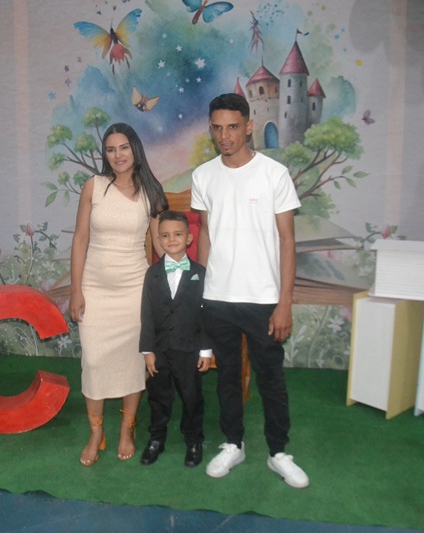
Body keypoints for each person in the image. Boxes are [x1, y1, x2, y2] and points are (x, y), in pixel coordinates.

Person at [190, 93, 309, 488]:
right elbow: (206, 234)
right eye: (217, 128)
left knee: (270, 377)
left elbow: (287, 241)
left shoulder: (274, 174)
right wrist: (202, 292)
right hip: (218, 297)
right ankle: (233, 444)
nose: (224, 136)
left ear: (249, 126)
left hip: (263, 299)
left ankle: (279, 453)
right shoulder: (203, 176)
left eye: (233, 127)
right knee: (226, 377)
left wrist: (284, 303)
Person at [69, 123, 168, 467]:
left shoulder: (151, 191)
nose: (117, 155)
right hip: (95, 289)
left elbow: (159, 245)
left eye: (123, 147)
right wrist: (76, 290)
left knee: (132, 363)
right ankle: (96, 431)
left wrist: (182, 274)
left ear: (135, 149)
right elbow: (80, 238)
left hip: (135, 290)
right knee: (94, 361)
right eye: (110, 149)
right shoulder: (93, 187)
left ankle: (127, 428)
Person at [139, 210, 212, 468]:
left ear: (189, 238)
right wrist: (147, 350)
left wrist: (205, 350)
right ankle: (156, 438)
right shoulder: (152, 274)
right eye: (165, 236)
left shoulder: (200, 273)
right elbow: (146, 313)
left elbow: (206, 315)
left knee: (191, 397)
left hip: (189, 349)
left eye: (178, 234)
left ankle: (193, 440)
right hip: (160, 350)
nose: (171, 240)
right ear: (158, 239)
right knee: (158, 397)